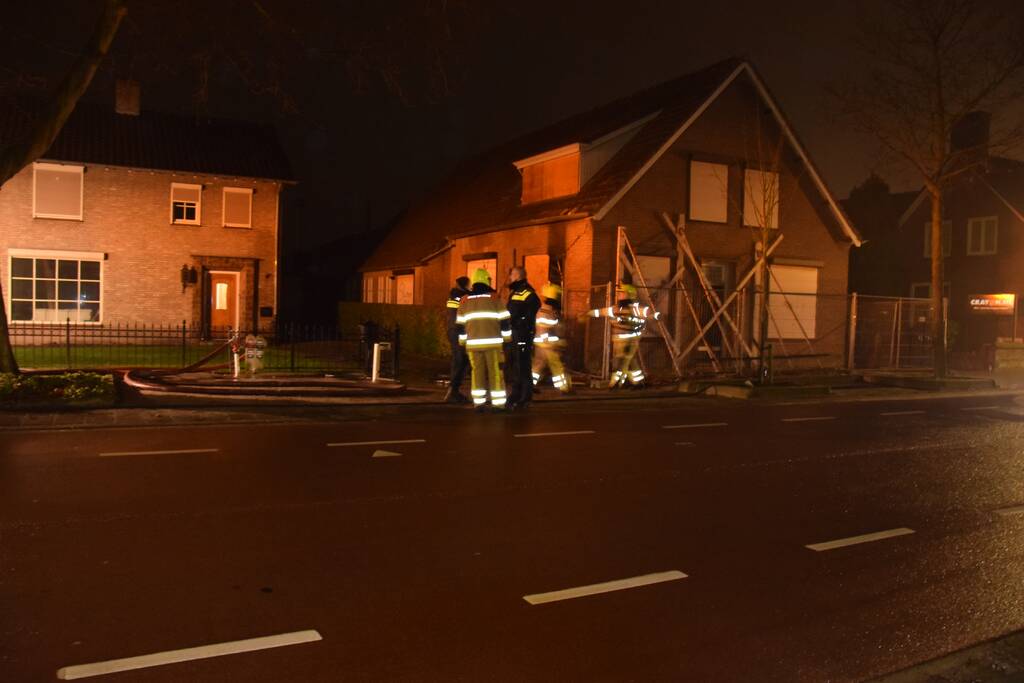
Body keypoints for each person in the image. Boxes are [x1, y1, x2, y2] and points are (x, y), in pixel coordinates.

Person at [456, 268, 511, 411]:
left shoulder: (464, 301)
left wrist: (463, 342)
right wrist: (507, 339)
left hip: (473, 346)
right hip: (493, 344)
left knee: (477, 373)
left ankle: (479, 403)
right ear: (487, 280)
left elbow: (460, 326)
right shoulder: (494, 299)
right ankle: (498, 404)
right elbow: (505, 321)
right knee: (495, 373)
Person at [589, 283, 658, 389]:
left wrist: (654, 315)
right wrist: (588, 313)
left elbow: (647, 312)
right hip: (618, 341)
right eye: (619, 293)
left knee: (622, 361)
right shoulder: (616, 309)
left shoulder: (634, 309)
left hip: (630, 340)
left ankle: (616, 383)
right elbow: (602, 312)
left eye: (622, 293)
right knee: (630, 361)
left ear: (629, 295)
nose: (619, 295)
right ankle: (638, 382)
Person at [505, 266, 541, 409]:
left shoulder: (526, 292)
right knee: (517, 365)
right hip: (516, 333)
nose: (510, 278)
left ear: (518, 276)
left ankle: (523, 396)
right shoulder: (516, 291)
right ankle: (519, 393)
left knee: (522, 365)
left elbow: (534, 306)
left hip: (522, 334)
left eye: (512, 275)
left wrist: (521, 322)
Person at [532, 282, 572, 393]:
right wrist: (550, 342)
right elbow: (544, 326)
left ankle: (530, 384)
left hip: (541, 343)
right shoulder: (548, 310)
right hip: (547, 344)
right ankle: (563, 387)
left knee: (538, 365)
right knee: (556, 366)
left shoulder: (544, 309)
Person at [444, 276, 471, 403]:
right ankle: (453, 391)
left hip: (453, 330)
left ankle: (453, 390)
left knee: (459, 359)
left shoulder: (454, 295)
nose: (471, 286)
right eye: (469, 285)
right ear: (464, 285)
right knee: (461, 360)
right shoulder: (461, 297)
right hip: (458, 331)